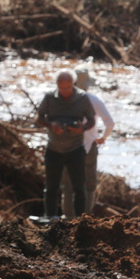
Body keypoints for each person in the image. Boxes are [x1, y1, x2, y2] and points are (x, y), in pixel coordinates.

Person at [35, 69, 96, 219]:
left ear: (73, 84)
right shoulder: (49, 97)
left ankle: (80, 221)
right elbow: (39, 119)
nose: (65, 91)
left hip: (76, 149)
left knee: (79, 188)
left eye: (68, 87)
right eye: (62, 88)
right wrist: (52, 125)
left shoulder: (82, 98)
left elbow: (92, 120)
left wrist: (81, 128)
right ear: (57, 85)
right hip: (54, 148)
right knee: (51, 187)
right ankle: (49, 219)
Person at [61, 67, 116, 218]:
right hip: (89, 147)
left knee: (68, 187)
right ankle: (84, 219)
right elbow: (110, 123)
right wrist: (103, 137)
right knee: (88, 186)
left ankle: (67, 220)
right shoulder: (93, 100)